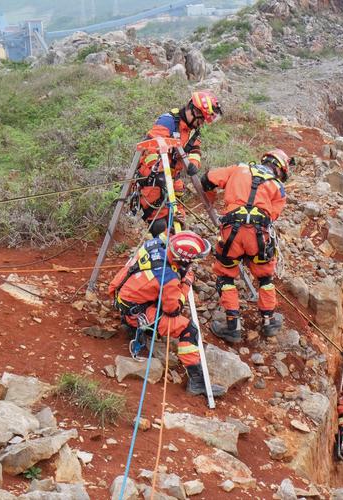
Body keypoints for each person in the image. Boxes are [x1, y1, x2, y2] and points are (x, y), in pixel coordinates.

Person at [108, 230, 226, 397]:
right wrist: (185, 283)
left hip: (123, 296)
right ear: (184, 260)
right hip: (137, 313)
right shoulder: (168, 278)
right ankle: (196, 381)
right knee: (188, 330)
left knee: (155, 297)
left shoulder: (155, 245)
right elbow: (173, 309)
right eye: (193, 260)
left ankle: (132, 326)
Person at [199, 149, 292, 342]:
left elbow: (207, 179)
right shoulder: (278, 187)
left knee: (225, 276)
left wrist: (211, 200)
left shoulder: (239, 169)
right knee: (265, 278)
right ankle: (269, 321)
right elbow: (272, 216)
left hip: (231, 231)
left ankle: (233, 325)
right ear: (280, 170)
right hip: (259, 236)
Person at [135, 90, 222, 237]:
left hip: (173, 179)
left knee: (178, 220)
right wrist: (158, 173)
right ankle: (161, 251)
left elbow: (194, 148)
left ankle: (175, 249)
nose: (201, 123)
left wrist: (193, 163)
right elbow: (150, 148)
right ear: (194, 111)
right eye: (201, 119)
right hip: (154, 180)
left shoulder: (193, 130)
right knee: (159, 223)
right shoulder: (168, 122)